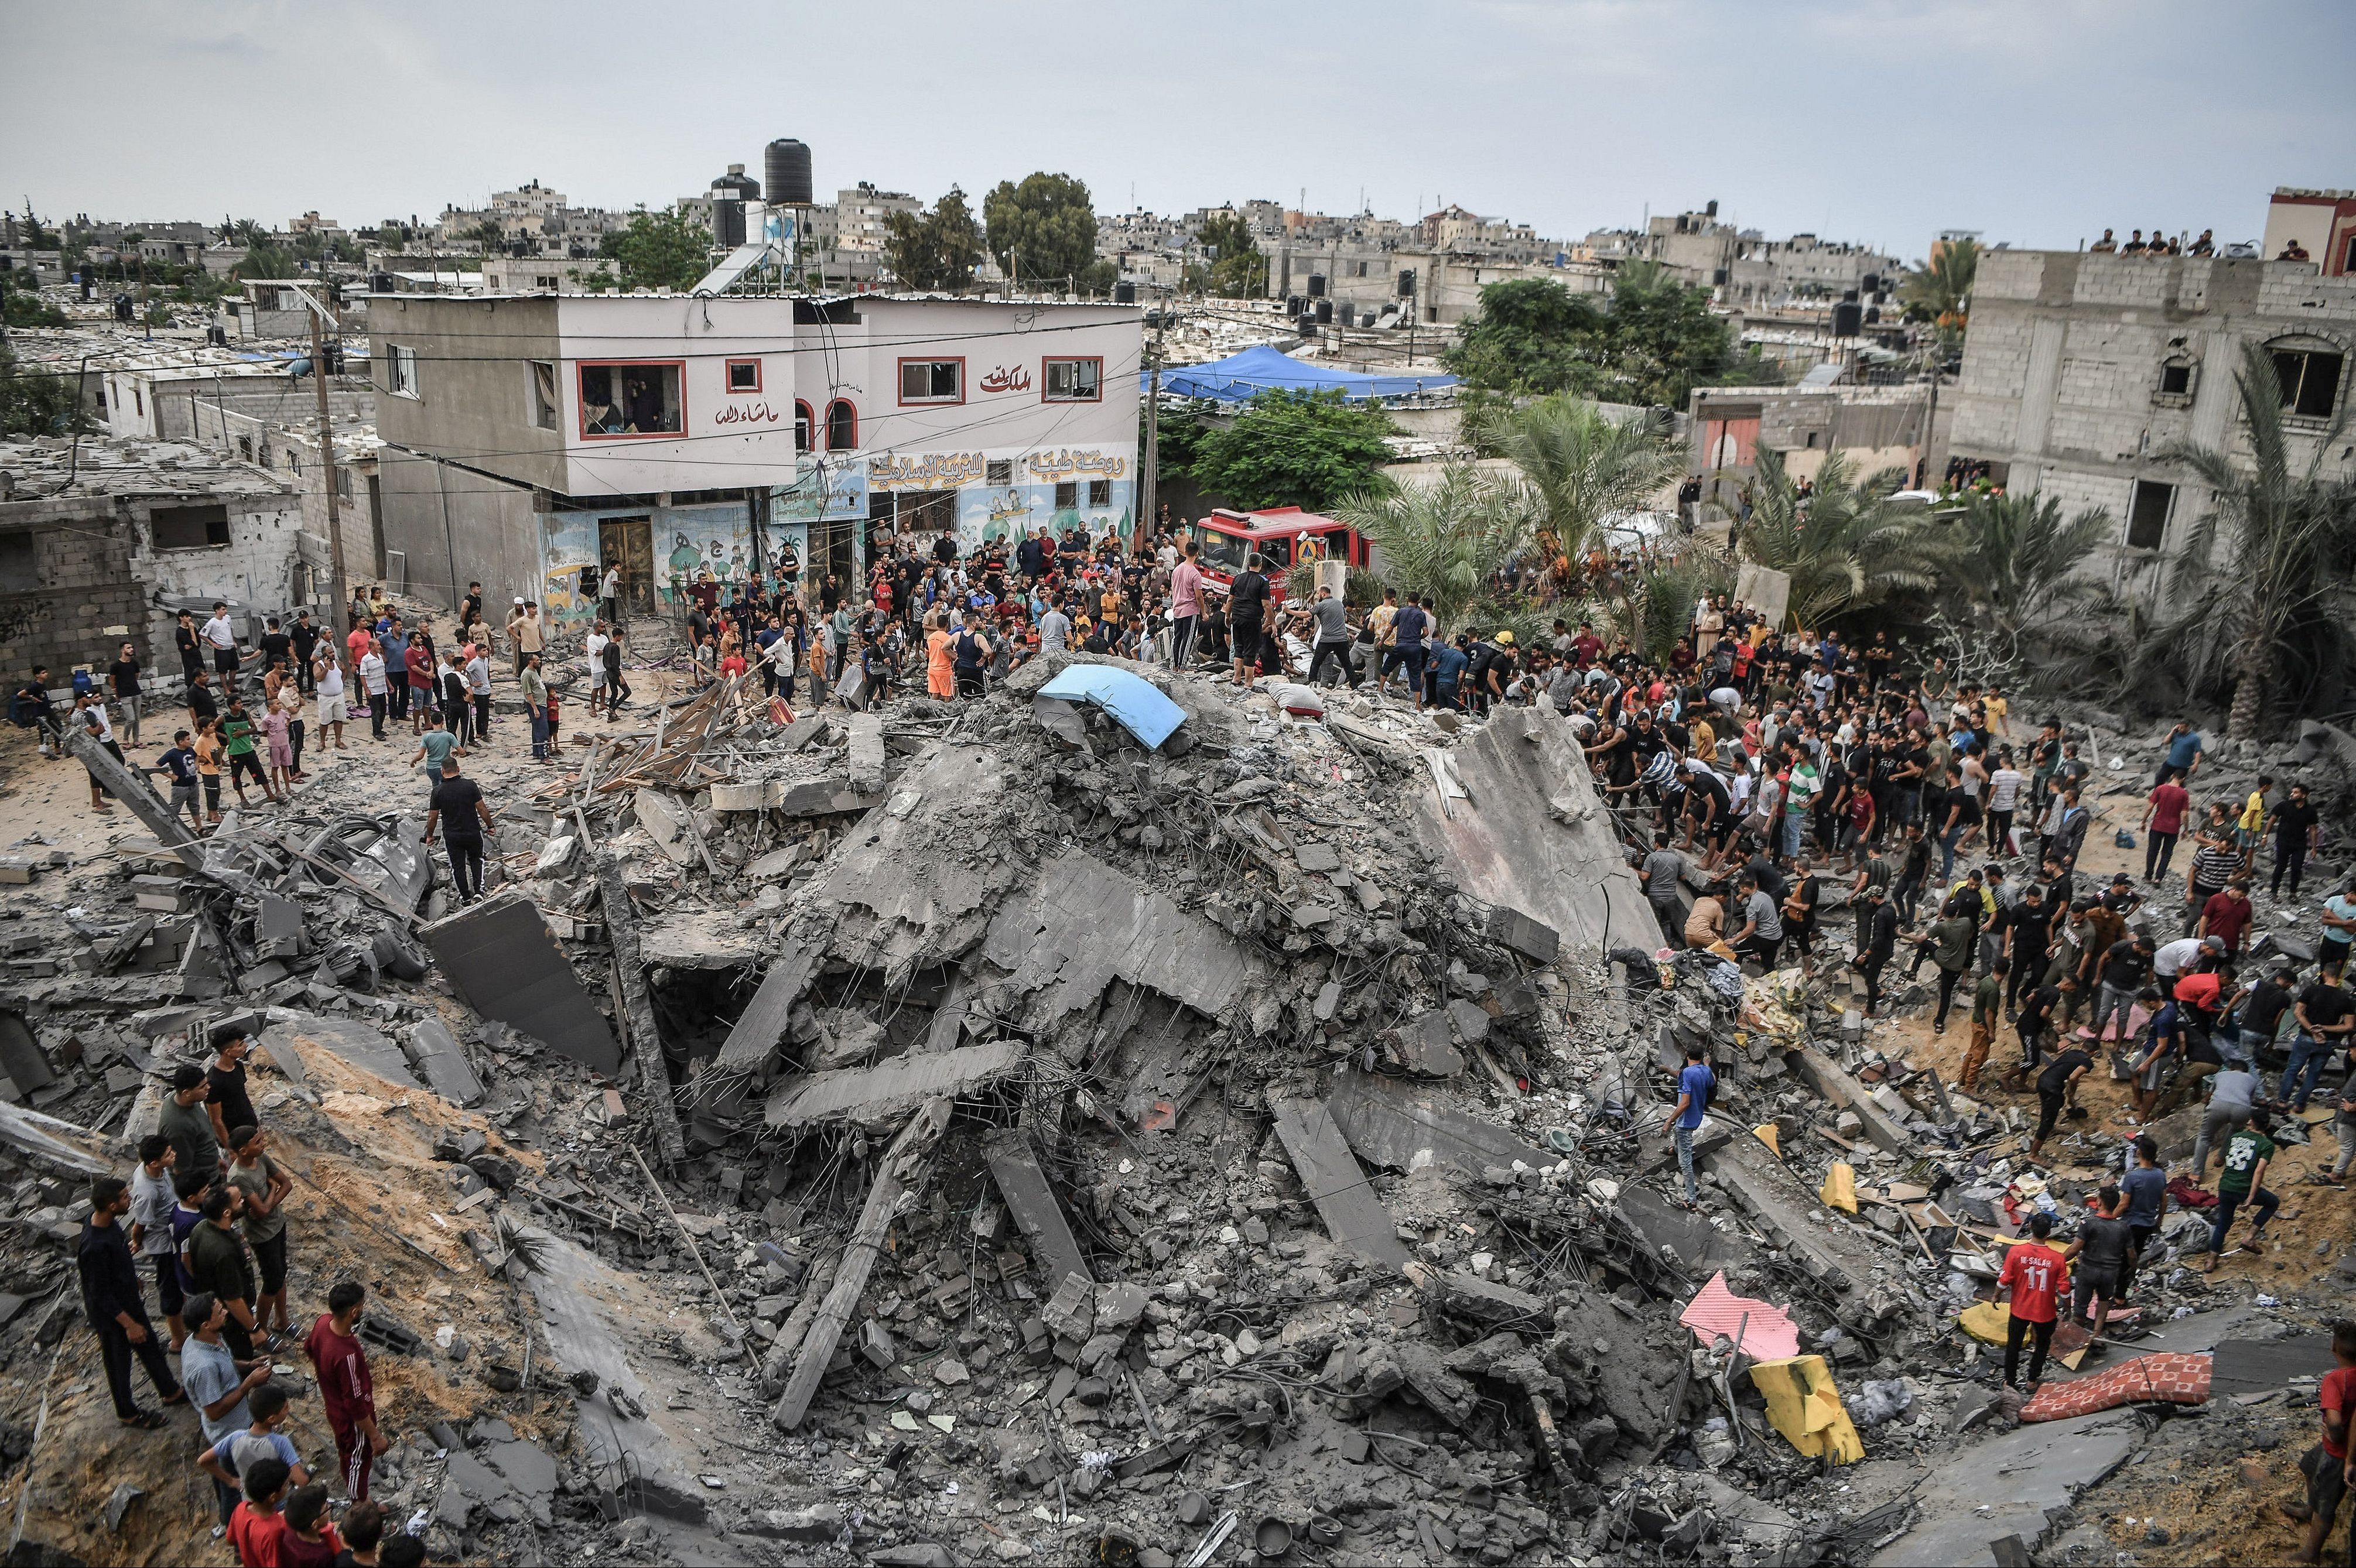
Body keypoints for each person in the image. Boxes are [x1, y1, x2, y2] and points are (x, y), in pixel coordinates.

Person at [79, 1175, 183, 1428]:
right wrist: (128, 1325)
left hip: (128, 1301)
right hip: (112, 1315)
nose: (130, 1199)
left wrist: (131, 1276)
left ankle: (170, 1391)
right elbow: (99, 1293)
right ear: (112, 1205)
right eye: (125, 1197)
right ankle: (127, 1412)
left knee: (149, 1346)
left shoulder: (109, 1225)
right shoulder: (94, 1246)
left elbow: (118, 1258)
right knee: (118, 1360)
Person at [307, 1278, 384, 1502]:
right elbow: (355, 1404)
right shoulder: (346, 1354)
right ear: (353, 1312)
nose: (362, 1309)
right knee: (359, 1457)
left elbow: (310, 1348)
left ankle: (355, 1488)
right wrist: (375, 1436)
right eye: (361, 1306)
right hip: (351, 1419)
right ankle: (360, 1502)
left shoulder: (323, 1323)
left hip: (333, 1406)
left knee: (346, 1451)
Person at [2296, 1320, 2356, 1565]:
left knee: (2326, 1508)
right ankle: (2309, 1509)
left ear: (2334, 1348)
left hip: (2337, 1454)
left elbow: (2333, 1420)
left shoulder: (2335, 1380)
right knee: (2308, 1465)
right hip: (2334, 1449)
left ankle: (2310, 1553)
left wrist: (2336, 1435)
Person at [225, 1125, 292, 1344]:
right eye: (258, 1142)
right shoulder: (239, 1177)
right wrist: (272, 1189)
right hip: (262, 1235)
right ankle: (262, 1331)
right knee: (272, 1281)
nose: (263, 1145)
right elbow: (261, 1212)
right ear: (243, 1150)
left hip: (277, 1225)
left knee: (280, 1273)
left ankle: (282, 1321)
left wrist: (269, 1200)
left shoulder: (262, 1159)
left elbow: (287, 1184)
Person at [185, 1183, 265, 1359]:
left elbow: (187, 1260)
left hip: (213, 1302)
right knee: (240, 1353)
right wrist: (254, 1329)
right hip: (230, 1318)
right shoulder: (224, 1252)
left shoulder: (200, 1228)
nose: (243, 1201)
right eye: (238, 1200)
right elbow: (233, 1300)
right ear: (227, 1213)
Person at [1997, 1213, 2068, 1390]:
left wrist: (1996, 1295)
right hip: (2045, 1312)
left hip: (2020, 1310)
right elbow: (2065, 1290)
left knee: (2013, 1345)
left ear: (2030, 1228)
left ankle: (2010, 1381)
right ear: (2048, 1234)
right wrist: (2068, 1308)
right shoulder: (2057, 1259)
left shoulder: (2016, 1252)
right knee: (2042, 1345)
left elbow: (2004, 1279)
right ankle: (2032, 1380)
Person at [126, 1132, 186, 1347]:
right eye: (169, 1154)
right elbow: (141, 1223)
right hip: (163, 1243)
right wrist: (137, 1241)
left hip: (175, 1234)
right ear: (154, 1162)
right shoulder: (147, 1191)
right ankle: (178, 1340)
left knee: (182, 1281)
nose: (174, 1155)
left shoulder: (157, 1170)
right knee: (170, 1290)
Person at [2204, 1107, 2279, 1270]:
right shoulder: (2266, 1145)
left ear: (2250, 1122)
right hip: (2243, 1188)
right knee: (2273, 1202)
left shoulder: (2235, 1137)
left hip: (2225, 1186)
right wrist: (2251, 1197)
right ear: (2267, 1126)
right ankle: (2250, 1237)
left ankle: (2211, 1260)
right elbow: (2259, 1171)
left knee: (2223, 1222)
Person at [2064, 1186, 2135, 1337]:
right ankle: (2096, 1334)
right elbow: (2132, 1255)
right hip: (2110, 1273)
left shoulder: (2089, 1224)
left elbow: (2074, 1250)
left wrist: (2057, 1261)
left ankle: (2077, 1337)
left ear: (2100, 1203)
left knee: (2080, 1306)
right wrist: (2132, 1270)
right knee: (2103, 1303)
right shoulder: (2123, 1227)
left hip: (2088, 1270)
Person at [425, 755, 494, 904]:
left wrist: (429, 835)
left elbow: (433, 817)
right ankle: (479, 892)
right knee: (477, 860)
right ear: (458, 769)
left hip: (452, 835)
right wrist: (490, 825)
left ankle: (465, 898)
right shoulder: (470, 786)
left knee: (458, 866)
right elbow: (482, 808)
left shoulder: (438, 791)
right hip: (472, 831)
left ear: (442, 771)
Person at [2283, 967, 2354, 1112]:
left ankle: (2282, 1102)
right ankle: (2299, 1104)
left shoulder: (2311, 990)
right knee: (2313, 1074)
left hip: (2305, 1037)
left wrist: (2312, 1029)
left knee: (2292, 1070)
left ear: (2324, 974)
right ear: (2340, 976)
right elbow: (2348, 1026)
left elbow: (2298, 1012)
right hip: (2327, 1042)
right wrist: (2324, 1028)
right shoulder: (2345, 998)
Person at [1666, 1042, 1715, 1208]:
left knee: (1685, 1163)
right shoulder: (1706, 1070)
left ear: (1686, 1054)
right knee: (1678, 1134)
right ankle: (1675, 1149)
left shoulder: (1687, 1073)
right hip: (1696, 1116)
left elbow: (1685, 1103)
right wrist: (1707, 1066)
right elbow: (1712, 1081)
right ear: (1702, 1057)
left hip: (1686, 1121)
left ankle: (1691, 1200)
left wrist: (1668, 1121)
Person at [2191, 1062, 2260, 1178]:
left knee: (2204, 1137)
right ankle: (2221, 1158)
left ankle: (2197, 1174)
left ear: (2231, 1069)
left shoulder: (2221, 1075)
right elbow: (2250, 1098)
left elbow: (2209, 1094)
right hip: (2242, 1109)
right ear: (2246, 1072)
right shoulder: (2252, 1079)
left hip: (2219, 1105)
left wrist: (2206, 1103)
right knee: (2235, 1131)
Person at [161, 1062, 223, 1190]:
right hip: (205, 1184)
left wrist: (216, 1161)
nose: (208, 1088)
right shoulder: (178, 1127)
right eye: (202, 1087)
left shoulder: (181, 1099)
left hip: (212, 1170)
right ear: (186, 1093)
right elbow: (181, 1170)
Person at [2029, 1041, 2094, 1160]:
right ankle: (2033, 1155)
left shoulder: (2073, 1052)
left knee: (2058, 1102)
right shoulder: (2087, 1062)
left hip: (2043, 1080)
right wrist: (2072, 1094)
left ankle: (2051, 1128)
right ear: (2094, 1053)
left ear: (2082, 1046)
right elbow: (2073, 1077)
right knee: (2048, 1120)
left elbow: (2069, 1073)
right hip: (2051, 1088)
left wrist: (2069, 1096)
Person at [2121, 1134, 2169, 1286]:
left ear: (2139, 1153)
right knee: (2136, 1252)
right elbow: (2164, 1201)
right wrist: (2159, 1221)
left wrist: (2106, 1218)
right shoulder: (2160, 1175)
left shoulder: (2132, 1177)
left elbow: (2124, 1204)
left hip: (2131, 1224)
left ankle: (2119, 1295)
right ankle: (2126, 1286)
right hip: (2147, 1225)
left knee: (2123, 1258)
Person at [1961, 956, 2007, 1091]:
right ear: (2006, 973)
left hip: (1976, 1020)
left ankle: (1963, 1078)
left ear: (1994, 968)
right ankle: (1969, 1088)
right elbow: (1989, 1013)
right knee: (1978, 1057)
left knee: (1972, 1051)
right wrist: (1991, 1032)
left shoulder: (1986, 981)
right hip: (1983, 1026)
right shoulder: (1994, 990)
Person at [2273, 783, 2323, 900]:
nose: (2292, 794)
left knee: (2297, 868)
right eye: (2292, 792)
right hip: (2283, 840)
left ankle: (2293, 893)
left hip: (2300, 843)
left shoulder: (2310, 810)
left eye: (2296, 792)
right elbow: (2273, 819)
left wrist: (2314, 848)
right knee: (2281, 866)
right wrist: (2265, 836)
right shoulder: (2285, 805)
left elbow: (2313, 829)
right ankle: (2274, 891)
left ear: (2304, 795)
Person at [1229, 554, 1271, 685]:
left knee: (1239, 648)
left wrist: (1227, 615)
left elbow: (1230, 599)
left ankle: (1236, 678)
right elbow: (1266, 604)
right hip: (1252, 619)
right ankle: (1248, 683)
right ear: (1261, 564)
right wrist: (1273, 622)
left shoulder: (1238, 578)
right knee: (1250, 651)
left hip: (1236, 617)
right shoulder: (1263, 581)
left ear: (1248, 563)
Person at [1639, 831, 1685, 942]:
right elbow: (1684, 878)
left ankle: (1653, 943)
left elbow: (1645, 877)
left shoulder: (1651, 858)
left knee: (1654, 921)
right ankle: (1669, 944)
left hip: (1656, 896)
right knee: (1666, 922)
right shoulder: (1676, 859)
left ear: (1657, 844)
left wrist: (1633, 869)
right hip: (1670, 897)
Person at [1729, 873, 1782, 968]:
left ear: (1746, 889)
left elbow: (1750, 929)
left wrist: (1734, 940)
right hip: (1776, 935)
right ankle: (1772, 980)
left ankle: (1733, 975)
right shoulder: (1764, 895)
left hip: (1764, 937)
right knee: (1768, 963)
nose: (1740, 892)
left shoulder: (1752, 906)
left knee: (1738, 952)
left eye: (1741, 889)